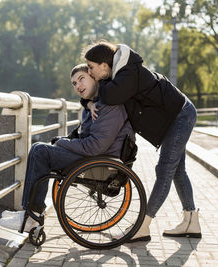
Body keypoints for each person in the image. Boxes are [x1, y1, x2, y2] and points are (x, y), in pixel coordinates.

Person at [81, 41, 201, 242]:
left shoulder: (128, 73)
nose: (90, 73)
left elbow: (109, 95)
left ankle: (142, 226)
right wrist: (88, 101)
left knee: (164, 171)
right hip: (173, 117)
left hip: (180, 116)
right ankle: (191, 221)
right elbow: (96, 94)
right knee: (177, 171)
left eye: (91, 68)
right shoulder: (117, 75)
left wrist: (94, 94)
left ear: (104, 65)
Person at [0, 63, 135, 231]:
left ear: (94, 77)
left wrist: (62, 142)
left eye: (81, 79)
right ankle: (29, 212)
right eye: (74, 83)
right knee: (38, 148)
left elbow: (95, 146)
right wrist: (64, 139)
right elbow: (88, 139)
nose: (78, 86)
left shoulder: (109, 105)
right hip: (95, 157)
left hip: (102, 162)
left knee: (41, 151)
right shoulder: (93, 104)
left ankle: (31, 217)